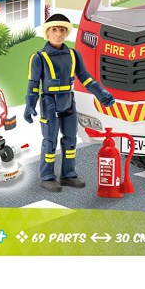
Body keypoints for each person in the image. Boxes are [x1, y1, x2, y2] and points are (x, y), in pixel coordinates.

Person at [24, 13, 115, 192]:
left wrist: (101, 93)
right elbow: (33, 84)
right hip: (49, 102)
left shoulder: (73, 54)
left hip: (68, 101)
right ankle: (47, 176)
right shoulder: (39, 57)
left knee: (71, 140)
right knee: (50, 140)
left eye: (62, 30)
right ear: (47, 32)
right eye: (54, 29)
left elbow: (85, 77)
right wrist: (30, 105)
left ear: (67, 32)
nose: (58, 33)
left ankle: (68, 174)